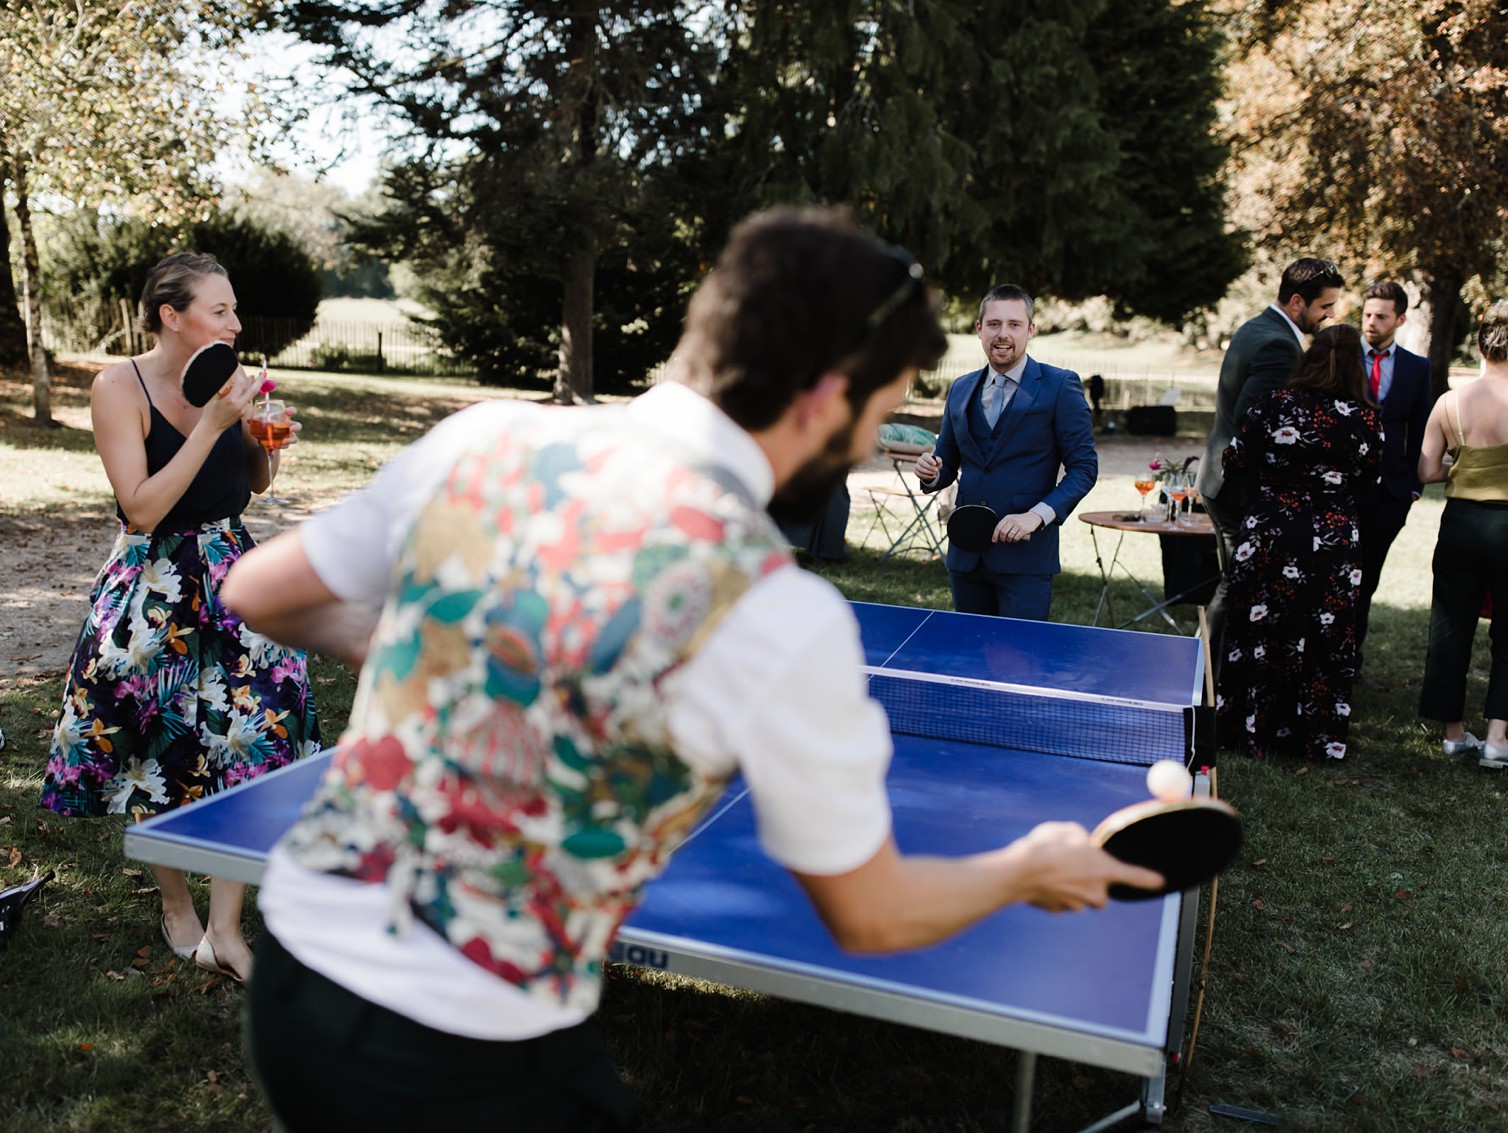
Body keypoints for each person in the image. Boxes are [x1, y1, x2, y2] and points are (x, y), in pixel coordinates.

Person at [219, 209, 1161, 1132]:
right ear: (826, 398)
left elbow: (259, 591)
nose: (870, 439)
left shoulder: (487, 439)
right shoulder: (775, 611)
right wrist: (1026, 868)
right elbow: (872, 915)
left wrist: (461, 643)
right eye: (878, 412)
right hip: (470, 1045)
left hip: (297, 974)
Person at [40, 252, 323, 983]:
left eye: (234, 309)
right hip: (152, 576)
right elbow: (141, 506)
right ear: (172, 315)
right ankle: (175, 904)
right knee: (149, 739)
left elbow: (249, 487)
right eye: (220, 309)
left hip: (232, 569)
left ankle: (227, 926)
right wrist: (211, 423)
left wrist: (264, 443)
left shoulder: (234, 379)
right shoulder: (117, 387)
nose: (235, 322)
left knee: (253, 728)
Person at [1215, 325, 1382, 760]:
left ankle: (1249, 728)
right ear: (1356, 368)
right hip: (1333, 538)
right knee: (1323, 634)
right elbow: (1371, 479)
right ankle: (1314, 735)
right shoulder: (1365, 418)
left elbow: (1233, 459)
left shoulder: (1273, 405)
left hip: (1273, 529)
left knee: (1262, 627)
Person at [912, 284, 1097, 621]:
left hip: (1025, 557)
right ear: (979, 329)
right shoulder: (961, 388)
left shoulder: (1060, 386)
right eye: (994, 324)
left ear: (1031, 330)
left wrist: (1036, 516)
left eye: (1014, 324)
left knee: (1019, 664)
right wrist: (931, 472)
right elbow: (947, 462)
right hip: (965, 554)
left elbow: (1084, 469)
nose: (1003, 334)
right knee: (968, 658)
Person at [1199, 258, 1345, 666]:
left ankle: (1216, 668)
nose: (1330, 314)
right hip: (1237, 484)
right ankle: (1206, 672)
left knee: (1235, 580)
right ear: (1297, 301)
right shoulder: (1279, 344)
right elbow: (1254, 421)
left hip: (1220, 476)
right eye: (1325, 306)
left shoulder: (1257, 326)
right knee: (1237, 583)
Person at [1418, 301, 1508, 766]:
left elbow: (1427, 469)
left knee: (1451, 626)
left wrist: (1464, 465)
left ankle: (1453, 732)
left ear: (1478, 343)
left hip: (1461, 525)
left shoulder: (1449, 402)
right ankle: (1497, 737)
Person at [1354, 280, 1433, 681]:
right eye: (1367, 314)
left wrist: (1414, 486)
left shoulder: (1418, 369)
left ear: (1400, 320)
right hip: (1342, 490)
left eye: (1381, 316)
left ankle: (1353, 660)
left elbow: (1421, 429)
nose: (1371, 322)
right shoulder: (1341, 358)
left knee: (1366, 580)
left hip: (1390, 493)